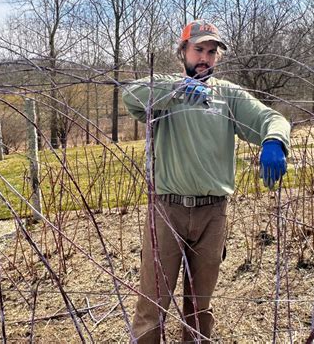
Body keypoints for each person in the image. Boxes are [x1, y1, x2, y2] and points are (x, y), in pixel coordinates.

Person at [122, 19, 290, 343]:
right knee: (151, 307)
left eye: (212, 52)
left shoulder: (228, 96)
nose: (205, 58)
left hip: (213, 215)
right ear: (182, 51)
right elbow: (131, 95)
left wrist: (275, 140)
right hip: (167, 212)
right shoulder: (165, 92)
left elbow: (271, 118)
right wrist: (176, 90)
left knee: (200, 309)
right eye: (198, 49)